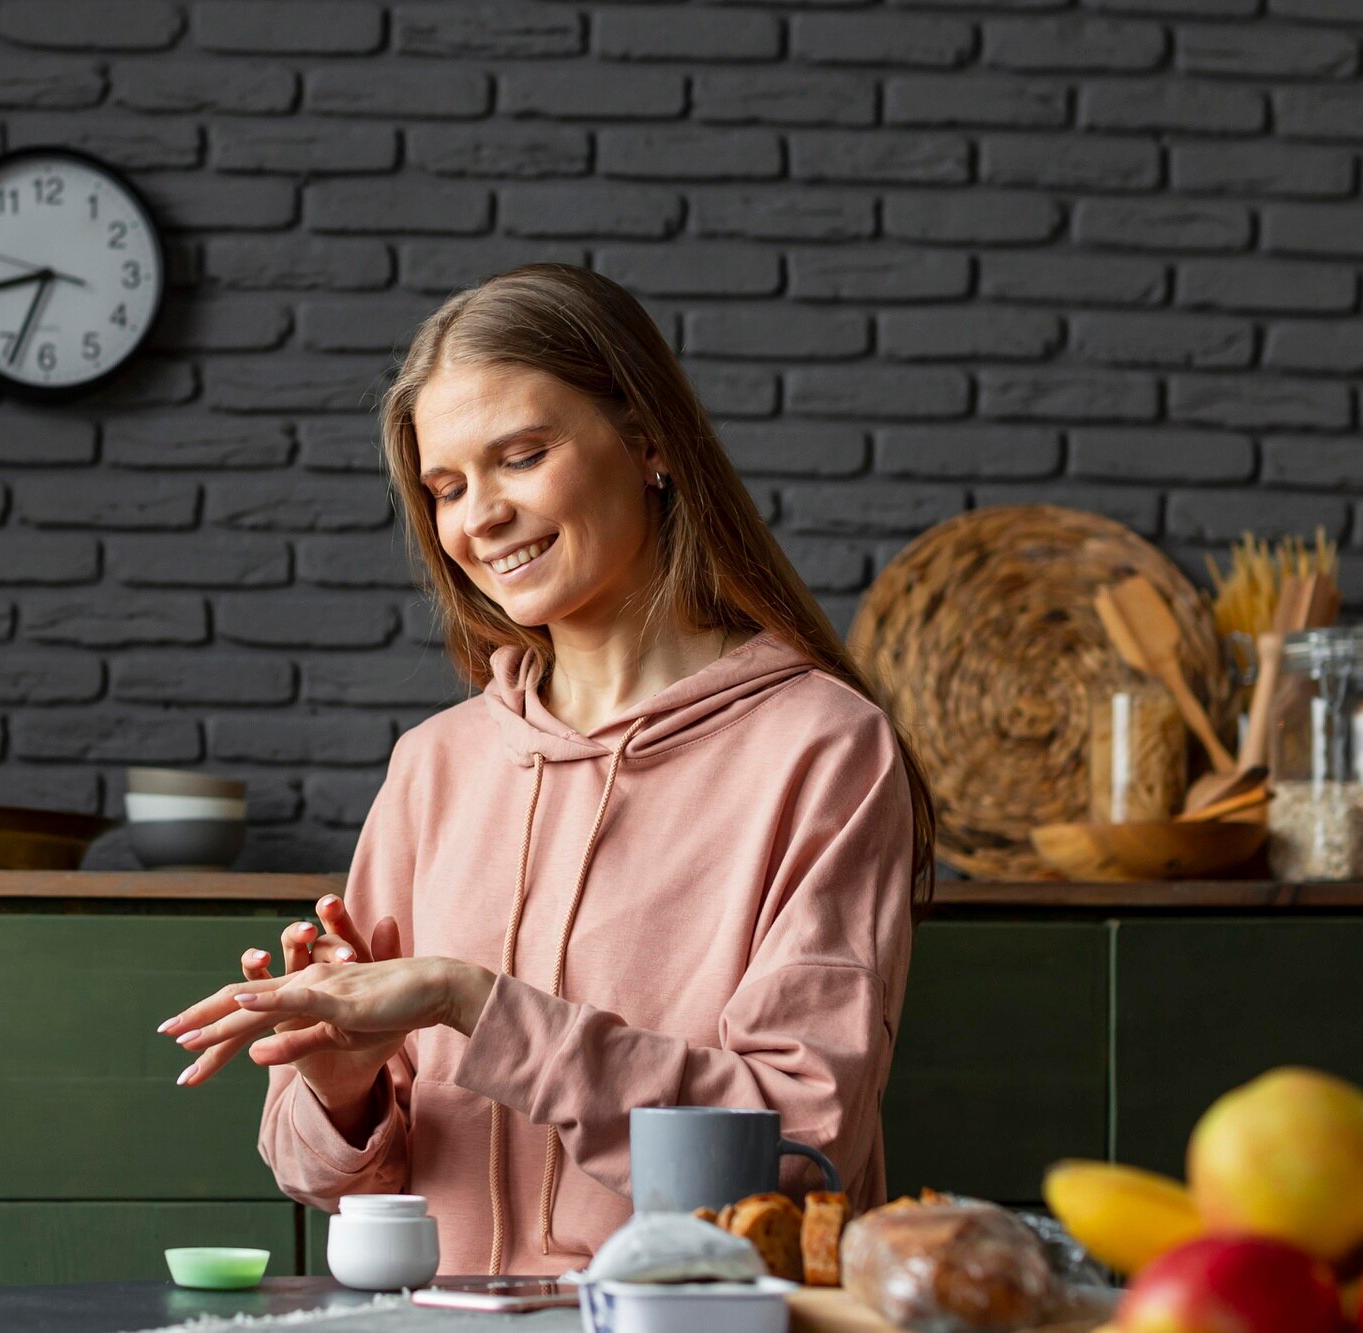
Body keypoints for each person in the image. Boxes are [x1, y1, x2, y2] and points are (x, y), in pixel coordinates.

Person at [156, 264, 935, 1277]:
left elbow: (793, 1140)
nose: (478, 515)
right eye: (446, 487)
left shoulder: (823, 749)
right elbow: (321, 1179)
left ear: (649, 441)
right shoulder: (433, 766)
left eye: (520, 456)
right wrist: (339, 1086)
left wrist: (473, 1004)